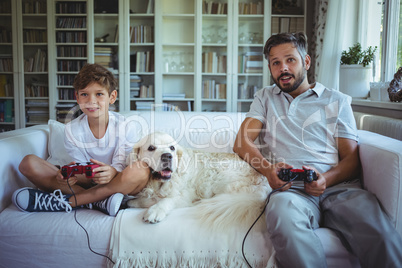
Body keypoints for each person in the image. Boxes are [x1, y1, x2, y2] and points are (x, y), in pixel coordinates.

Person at [233, 32, 402, 267]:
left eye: (290, 59)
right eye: (275, 63)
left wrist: (326, 179)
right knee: (282, 215)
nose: (283, 68)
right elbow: (241, 142)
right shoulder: (265, 98)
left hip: (340, 189)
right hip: (291, 191)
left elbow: (351, 160)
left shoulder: (337, 100)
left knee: (381, 236)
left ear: (307, 61)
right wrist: (268, 169)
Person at [13, 63, 149, 216]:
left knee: (141, 169)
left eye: (99, 94)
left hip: (119, 184)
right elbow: (83, 175)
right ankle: (99, 201)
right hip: (88, 186)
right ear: (77, 97)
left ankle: (73, 201)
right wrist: (67, 176)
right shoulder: (72, 130)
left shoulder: (126, 126)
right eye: (84, 94)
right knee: (28, 163)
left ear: (112, 97)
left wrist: (112, 172)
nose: (91, 101)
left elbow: (122, 167)